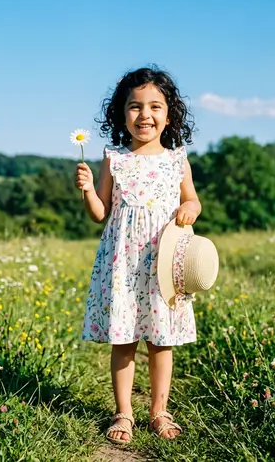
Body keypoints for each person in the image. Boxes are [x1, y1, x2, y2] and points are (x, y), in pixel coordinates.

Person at [75, 66, 201, 444]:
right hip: (123, 264)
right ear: (121, 114)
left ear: (169, 114)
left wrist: (191, 210)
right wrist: (87, 192)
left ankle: (159, 410)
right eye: (134, 106)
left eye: (154, 106)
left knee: (162, 340)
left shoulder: (177, 160)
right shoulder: (114, 158)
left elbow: (192, 198)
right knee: (124, 339)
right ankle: (123, 412)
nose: (144, 115)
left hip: (164, 263)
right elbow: (102, 213)